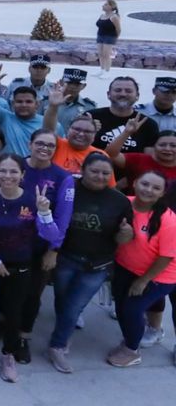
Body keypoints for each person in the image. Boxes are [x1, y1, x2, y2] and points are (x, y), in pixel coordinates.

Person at [0, 155, 63, 381]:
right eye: (3, 170)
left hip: (20, 262)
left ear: (22, 175)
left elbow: (51, 235)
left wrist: (44, 212)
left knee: (13, 311)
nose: (7, 176)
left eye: (13, 171)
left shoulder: (33, 200)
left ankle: (8, 355)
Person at [46, 154, 133, 373]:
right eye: (94, 171)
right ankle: (64, 330)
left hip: (97, 265)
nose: (100, 176)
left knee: (74, 306)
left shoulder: (119, 201)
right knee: (62, 301)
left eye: (105, 173)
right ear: (83, 170)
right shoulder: (68, 191)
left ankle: (57, 345)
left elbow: (122, 238)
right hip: (66, 259)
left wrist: (125, 234)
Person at [107, 170, 176, 367]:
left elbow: (166, 256)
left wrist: (144, 280)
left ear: (162, 193)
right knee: (120, 306)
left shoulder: (168, 220)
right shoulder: (124, 204)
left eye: (156, 188)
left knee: (132, 309)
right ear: (135, 183)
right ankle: (130, 340)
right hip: (125, 267)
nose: (149, 190)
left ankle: (132, 350)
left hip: (160, 275)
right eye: (145, 184)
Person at [96, 0, 121, 75]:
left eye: (106, 5)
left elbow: (118, 29)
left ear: (111, 7)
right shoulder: (102, 15)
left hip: (110, 37)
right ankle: (102, 70)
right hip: (100, 36)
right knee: (100, 54)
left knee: (106, 55)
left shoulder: (114, 17)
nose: (103, 6)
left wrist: (115, 38)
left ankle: (107, 72)